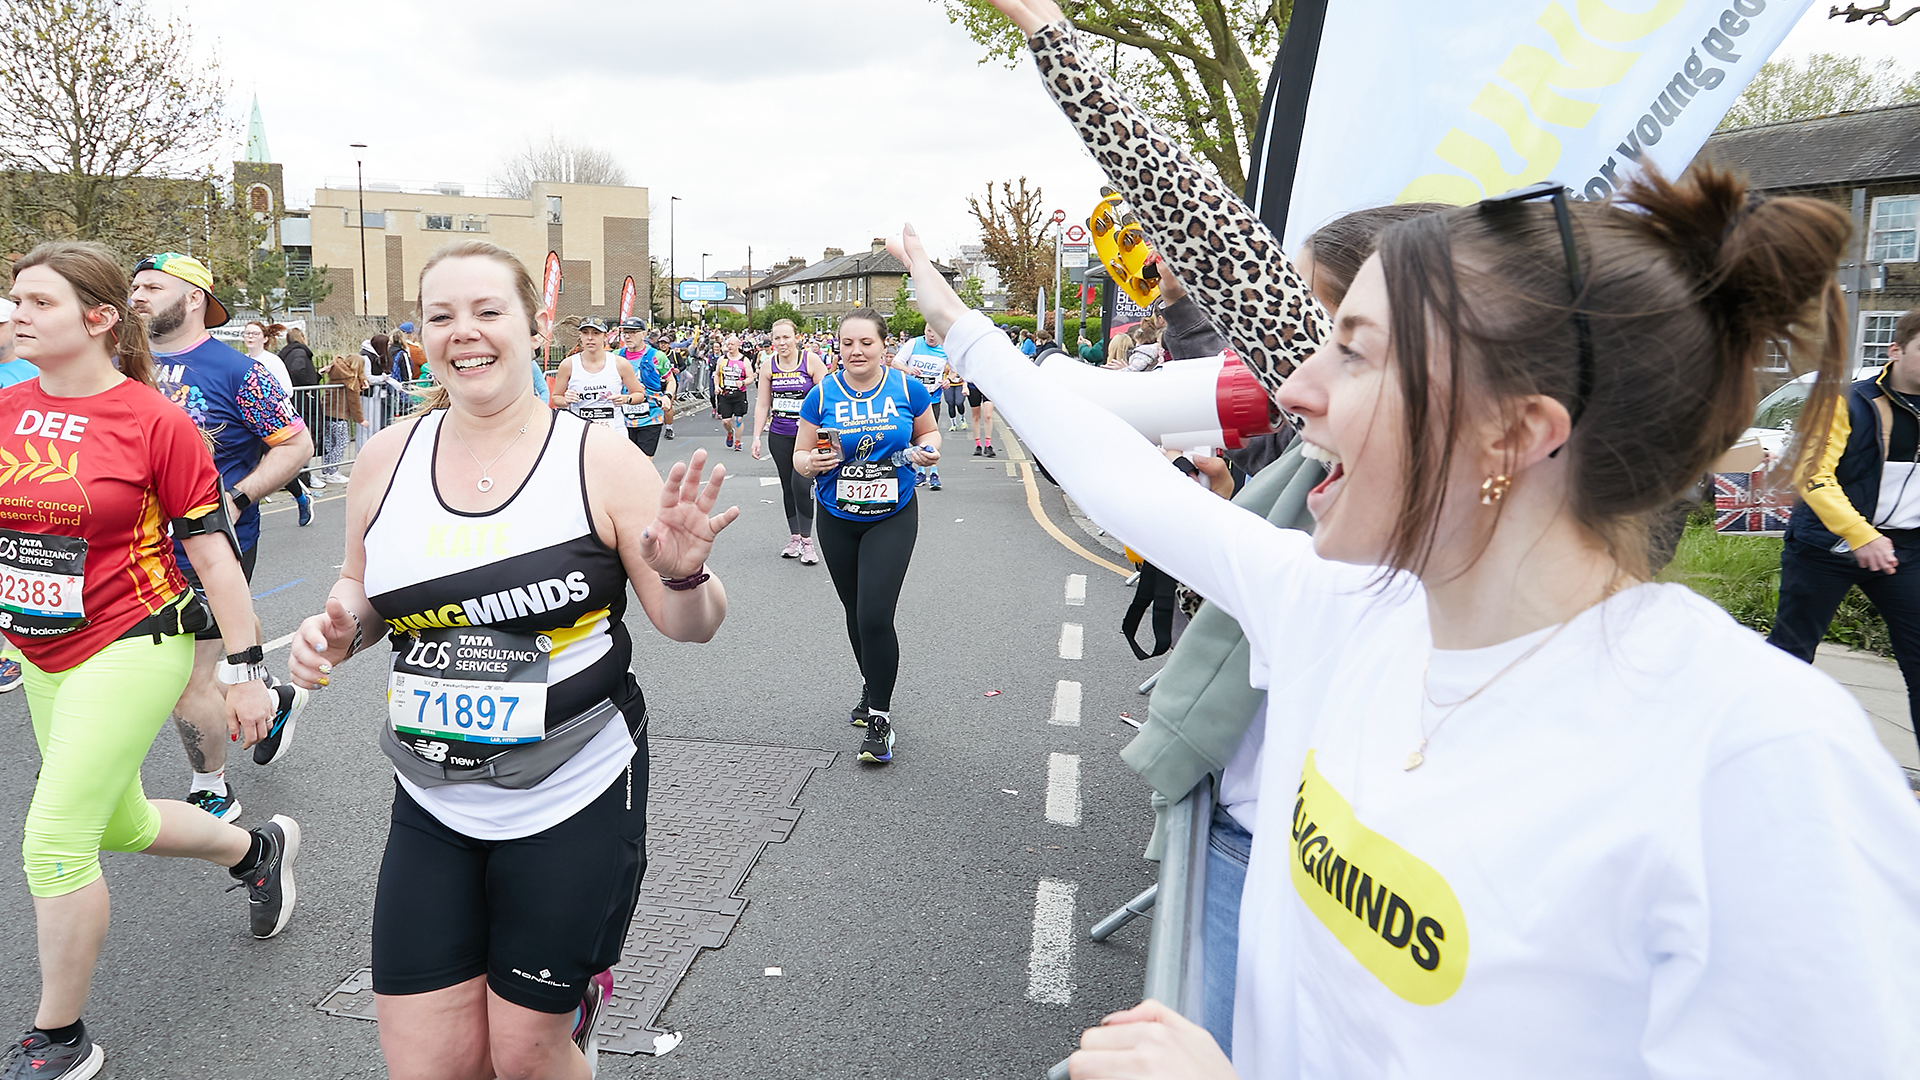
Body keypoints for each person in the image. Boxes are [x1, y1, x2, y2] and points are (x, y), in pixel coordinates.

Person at [911, 3, 1920, 1075]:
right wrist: (961, 325)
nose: (1295, 389)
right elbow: (1120, 476)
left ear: (1517, 430)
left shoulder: (1759, 766)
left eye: (1352, 349)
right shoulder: (1344, 611)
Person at [286, 238, 735, 1080]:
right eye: (442, 316)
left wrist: (686, 571)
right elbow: (362, 586)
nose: (466, 333)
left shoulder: (596, 458)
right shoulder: (388, 458)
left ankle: (570, 1015)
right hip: (431, 792)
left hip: (573, 791)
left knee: (526, 1052)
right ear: (420, 335)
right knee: (428, 1062)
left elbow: (690, 622)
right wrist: (338, 626)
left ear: (537, 327)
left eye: (489, 312)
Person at [3, 243, 299, 1080]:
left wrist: (244, 672)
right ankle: (255, 853)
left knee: (55, 840)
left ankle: (60, 1038)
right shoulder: (6, 408)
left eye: (37, 301)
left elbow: (211, 554)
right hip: (40, 647)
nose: (16, 312)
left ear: (98, 320)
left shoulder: (154, 419)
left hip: (135, 639)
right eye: (14, 298)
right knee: (120, 823)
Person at [132, 253, 312, 816]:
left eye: (151, 287)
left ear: (191, 298)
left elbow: (296, 446)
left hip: (209, 547)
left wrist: (237, 498)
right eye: (132, 286)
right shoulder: (117, 366)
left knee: (187, 680)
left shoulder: (237, 371)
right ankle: (269, 694)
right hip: (132, 551)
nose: (136, 296)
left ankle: (210, 787)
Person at [1769, 306, 1920, 758]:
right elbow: (1812, 474)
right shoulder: (1846, 402)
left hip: (1905, 551)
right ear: (1896, 351)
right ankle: (1763, 755)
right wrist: (1861, 534)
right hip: (1825, 547)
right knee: (1791, 656)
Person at [794, 308, 939, 764]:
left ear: (883, 345)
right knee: (855, 612)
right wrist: (809, 464)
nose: (856, 351)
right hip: (837, 514)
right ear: (837, 347)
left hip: (892, 513)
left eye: (866, 343)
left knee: (875, 613)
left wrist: (927, 453)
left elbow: (930, 434)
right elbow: (801, 453)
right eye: (847, 343)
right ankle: (871, 680)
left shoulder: (906, 388)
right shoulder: (821, 395)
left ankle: (880, 719)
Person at [750, 318, 827, 563]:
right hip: (780, 435)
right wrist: (756, 437)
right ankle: (794, 537)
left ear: (797, 337)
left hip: (806, 437)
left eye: (786, 337)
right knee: (787, 487)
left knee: (802, 485)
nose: (782, 343)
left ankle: (808, 541)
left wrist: (826, 434)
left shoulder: (810, 361)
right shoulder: (767, 366)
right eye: (777, 338)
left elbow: (828, 398)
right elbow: (763, 403)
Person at [242, 321, 314, 527]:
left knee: (275, 466)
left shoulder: (272, 361)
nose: (250, 337)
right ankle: (248, 518)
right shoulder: (241, 360)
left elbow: (287, 390)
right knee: (248, 467)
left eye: (255, 333)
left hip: (270, 422)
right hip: (247, 423)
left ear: (265, 338)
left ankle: (301, 499)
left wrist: (260, 397)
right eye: (247, 333)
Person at [553, 316, 648, 437]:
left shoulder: (620, 364)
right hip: (580, 432)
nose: (590, 338)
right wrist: (566, 400)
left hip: (613, 432)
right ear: (580, 336)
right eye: (585, 333)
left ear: (605, 336)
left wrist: (626, 399)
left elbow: (639, 395)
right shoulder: (568, 364)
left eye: (596, 333)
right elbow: (556, 397)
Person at [892, 325, 950, 490]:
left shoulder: (945, 349)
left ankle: (933, 472)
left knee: (930, 435)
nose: (932, 335)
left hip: (933, 398)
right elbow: (896, 363)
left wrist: (948, 380)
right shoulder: (913, 344)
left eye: (935, 332)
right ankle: (919, 471)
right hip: (913, 398)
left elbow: (954, 369)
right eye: (929, 331)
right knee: (912, 435)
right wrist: (909, 370)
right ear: (924, 331)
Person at [613, 317, 669, 456]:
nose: (627, 336)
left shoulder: (657, 356)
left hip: (650, 417)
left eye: (632, 332)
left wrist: (668, 396)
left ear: (643, 334)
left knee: (644, 460)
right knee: (624, 461)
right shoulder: (615, 357)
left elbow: (671, 380)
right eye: (625, 332)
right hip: (623, 419)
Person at [319, 352, 364, 486]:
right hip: (339, 414)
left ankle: (326, 470)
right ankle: (332, 471)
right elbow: (354, 401)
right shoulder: (350, 379)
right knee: (342, 442)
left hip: (326, 413)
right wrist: (360, 419)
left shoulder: (337, 372)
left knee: (329, 443)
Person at [712, 333, 753, 451]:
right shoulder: (722, 359)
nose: (729, 347)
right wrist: (716, 386)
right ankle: (730, 432)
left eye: (732, 344)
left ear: (737, 345)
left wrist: (743, 382)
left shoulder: (744, 360)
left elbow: (750, 377)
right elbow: (717, 375)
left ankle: (737, 442)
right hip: (725, 393)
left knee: (739, 419)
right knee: (726, 421)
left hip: (739, 394)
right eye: (728, 344)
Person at [941, 363, 967, 433]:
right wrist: (943, 370)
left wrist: (964, 376)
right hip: (948, 384)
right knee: (950, 403)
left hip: (960, 384)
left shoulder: (960, 359)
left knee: (959, 402)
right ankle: (953, 424)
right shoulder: (945, 360)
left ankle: (962, 418)